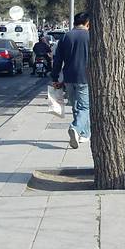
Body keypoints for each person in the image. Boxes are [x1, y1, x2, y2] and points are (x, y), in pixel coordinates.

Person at [51, 12, 90, 149]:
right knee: (84, 107)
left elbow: (57, 59)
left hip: (68, 77)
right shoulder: (90, 36)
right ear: (87, 23)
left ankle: (83, 134)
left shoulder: (65, 37)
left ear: (74, 23)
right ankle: (76, 128)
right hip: (85, 77)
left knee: (75, 106)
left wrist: (54, 77)